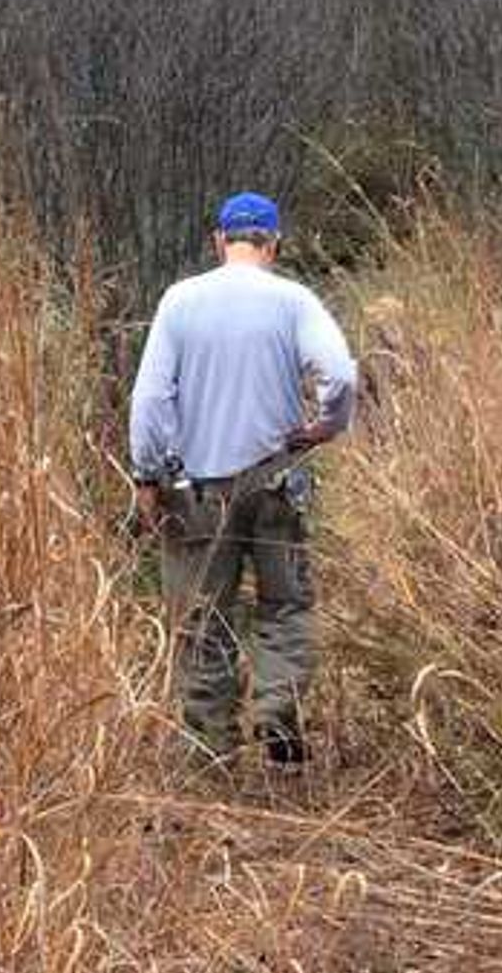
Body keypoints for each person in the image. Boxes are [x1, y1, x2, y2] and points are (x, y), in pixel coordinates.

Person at [128, 191, 358, 766]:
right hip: (277, 482)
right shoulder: (294, 301)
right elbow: (341, 375)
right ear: (274, 244)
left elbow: (151, 397)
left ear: (219, 241)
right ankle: (277, 712)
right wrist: (327, 427)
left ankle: (210, 743)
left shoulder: (180, 301)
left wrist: (147, 474)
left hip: (198, 493)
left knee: (204, 617)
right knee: (285, 607)